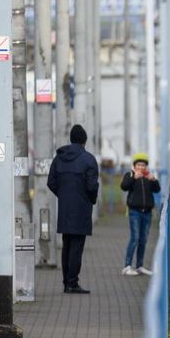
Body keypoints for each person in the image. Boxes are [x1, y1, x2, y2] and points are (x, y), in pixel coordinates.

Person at [47, 124, 100, 294]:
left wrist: (63, 195)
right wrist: (89, 200)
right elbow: (92, 187)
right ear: (84, 140)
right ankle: (72, 282)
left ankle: (66, 282)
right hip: (81, 209)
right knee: (77, 246)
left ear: (71, 139)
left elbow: (51, 182)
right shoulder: (89, 160)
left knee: (67, 245)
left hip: (65, 208)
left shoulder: (59, 158)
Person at [120, 153, 161, 276]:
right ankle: (127, 266)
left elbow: (157, 189)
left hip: (147, 213)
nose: (141, 167)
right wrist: (133, 177)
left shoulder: (148, 177)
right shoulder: (130, 175)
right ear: (134, 165)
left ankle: (139, 266)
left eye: (143, 165)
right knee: (135, 238)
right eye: (139, 165)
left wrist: (154, 180)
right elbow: (124, 186)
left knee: (143, 240)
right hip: (135, 212)